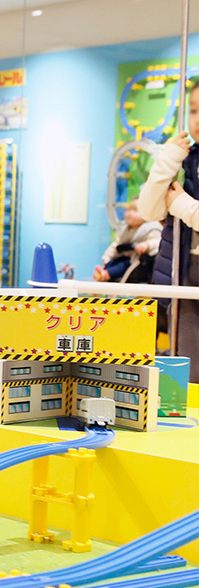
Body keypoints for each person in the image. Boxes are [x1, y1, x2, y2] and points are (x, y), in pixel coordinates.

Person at [138, 83, 199, 381]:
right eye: (193, 110)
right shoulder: (185, 160)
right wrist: (168, 160)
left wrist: (183, 205)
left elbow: (179, 206)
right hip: (185, 273)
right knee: (190, 368)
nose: (198, 119)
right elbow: (149, 210)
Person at [93, 200, 161, 283]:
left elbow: (157, 242)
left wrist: (147, 245)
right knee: (112, 263)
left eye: (135, 211)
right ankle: (101, 277)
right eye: (128, 210)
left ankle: (106, 275)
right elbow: (116, 245)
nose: (129, 213)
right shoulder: (125, 230)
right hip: (125, 257)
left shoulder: (151, 229)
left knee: (123, 265)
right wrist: (106, 258)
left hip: (138, 262)